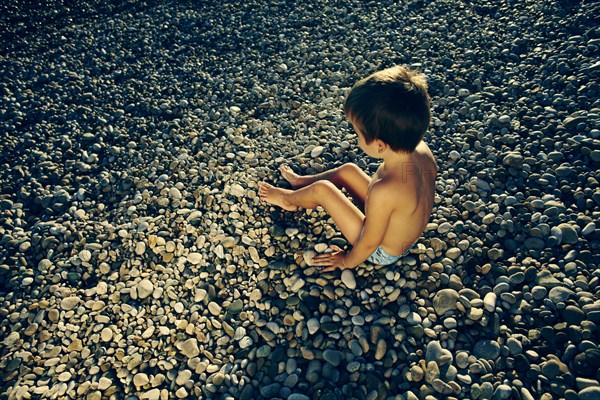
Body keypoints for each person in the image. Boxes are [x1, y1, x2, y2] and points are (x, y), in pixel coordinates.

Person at [259, 65, 437, 272]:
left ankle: (287, 200)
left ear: (379, 145)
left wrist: (346, 261)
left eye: (358, 134)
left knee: (323, 190)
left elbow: (370, 243)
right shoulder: (421, 151)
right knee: (348, 171)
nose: (357, 139)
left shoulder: (386, 190)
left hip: (382, 250)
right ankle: (300, 183)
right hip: (399, 227)